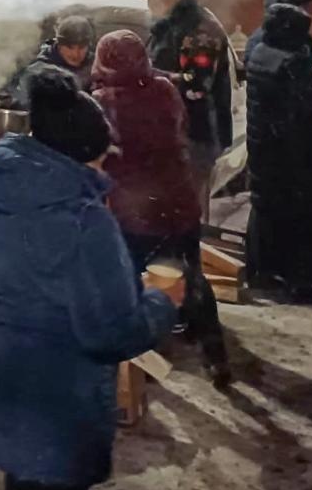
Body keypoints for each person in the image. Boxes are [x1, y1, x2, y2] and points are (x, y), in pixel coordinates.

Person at [0, 66, 180, 490]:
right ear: (83, 153)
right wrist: (164, 302)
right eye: (102, 152)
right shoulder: (82, 221)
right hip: (47, 397)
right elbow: (111, 334)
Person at [92, 30, 230, 387]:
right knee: (191, 274)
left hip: (136, 209)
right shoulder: (165, 91)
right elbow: (178, 127)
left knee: (135, 281)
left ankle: (142, 362)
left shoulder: (102, 102)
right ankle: (216, 356)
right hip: (178, 199)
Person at [244, 2, 312, 303]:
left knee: (264, 208)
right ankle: (298, 280)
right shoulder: (292, 61)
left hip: (262, 146)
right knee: (298, 215)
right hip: (292, 152)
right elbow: (304, 107)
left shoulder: (259, 53)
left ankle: (262, 271)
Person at [142, 0, 234, 225]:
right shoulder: (168, 27)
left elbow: (196, 86)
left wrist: (149, 75)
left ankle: (190, 262)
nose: (149, 6)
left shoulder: (200, 31)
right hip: (172, 133)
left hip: (196, 134)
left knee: (188, 213)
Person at [10, 15, 95, 105]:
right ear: (59, 45)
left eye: (82, 47)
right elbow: (24, 105)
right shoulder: (39, 71)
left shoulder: (96, 67)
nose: (76, 53)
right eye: (70, 47)